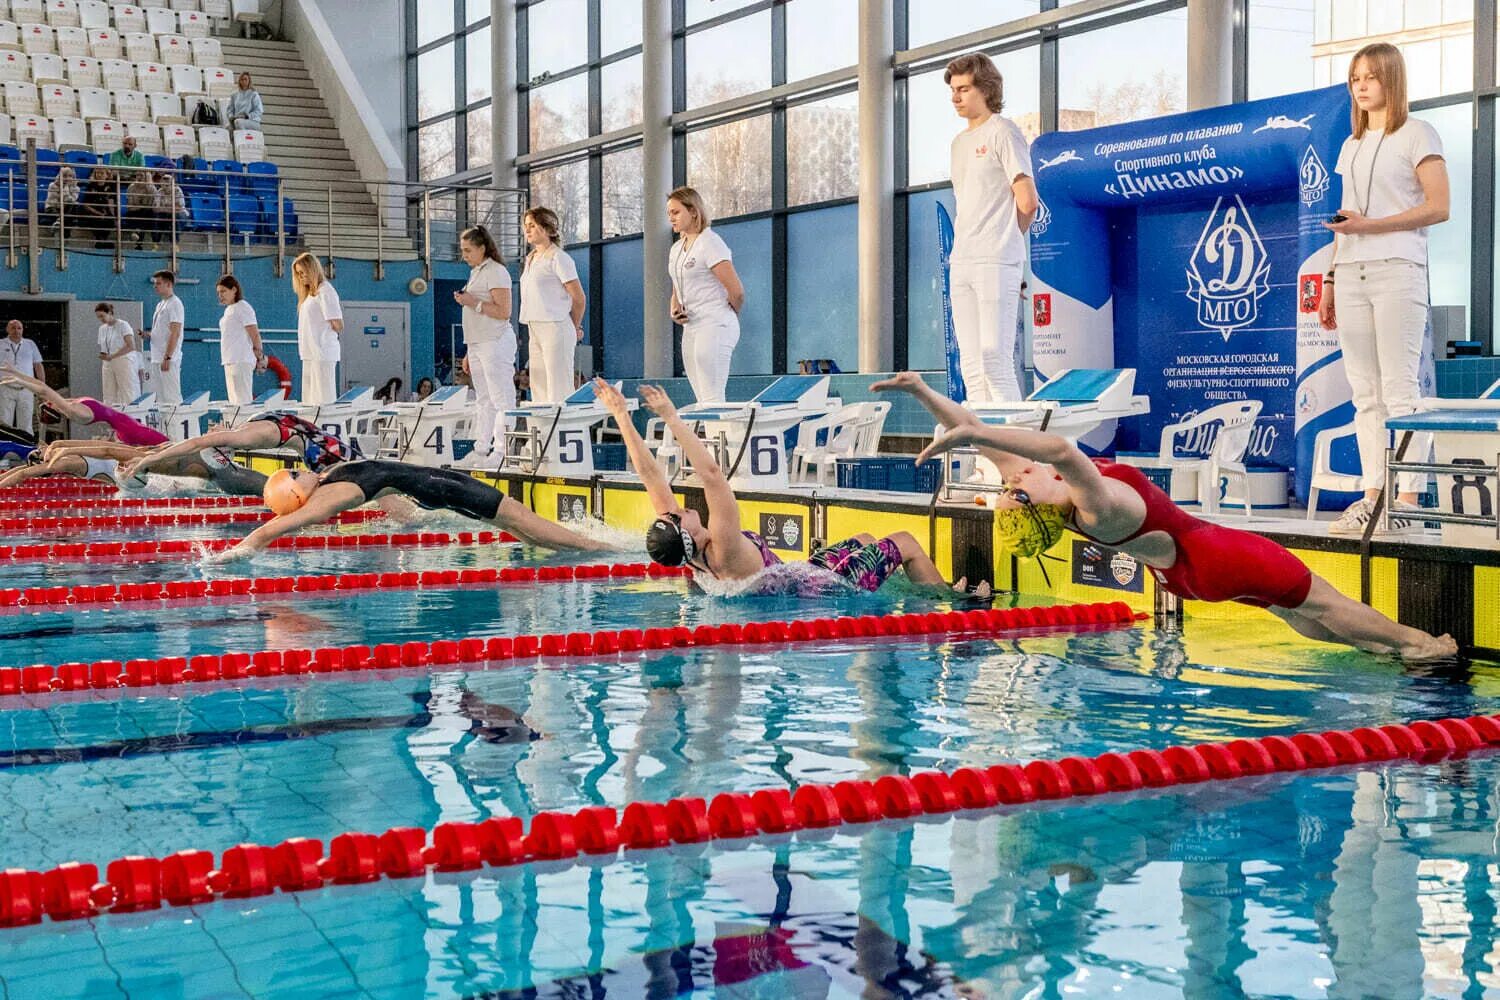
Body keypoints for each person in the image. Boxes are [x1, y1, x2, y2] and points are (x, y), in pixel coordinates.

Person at [874, 371, 1457, 659]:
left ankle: (1372, 648)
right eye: (1017, 485)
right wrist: (983, 434)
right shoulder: (1096, 507)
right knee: (1325, 600)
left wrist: (924, 392)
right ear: (1040, 506)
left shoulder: (1057, 507)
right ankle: (1416, 644)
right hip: (1217, 553)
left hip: (1182, 577)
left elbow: (975, 437)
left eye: (1013, 479)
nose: (1016, 475)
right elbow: (1060, 450)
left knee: (1295, 614)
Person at [595, 378, 949, 593]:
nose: (678, 509)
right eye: (677, 516)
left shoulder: (694, 557)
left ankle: (928, 586)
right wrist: (672, 418)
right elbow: (713, 476)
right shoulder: (725, 546)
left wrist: (622, 416)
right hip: (822, 593)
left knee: (868, 541)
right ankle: (947, 606)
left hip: (807, 574)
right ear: (684, 535)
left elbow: (650, 476)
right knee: (905, 542)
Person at [1320, 42, 1450, 535]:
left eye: (1371, 76)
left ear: (1391, 80)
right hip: (1352, 273)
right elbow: (1346, 218)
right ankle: (1371, 498)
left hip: (1398, 269)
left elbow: (1439, 207)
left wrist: (1370, 226)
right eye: (1355, 77)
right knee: (1364, 393)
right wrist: (1331, 280)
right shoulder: (1350, 146)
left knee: (1400, 388)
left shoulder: (1419, 133)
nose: (1361, 85)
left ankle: (1407, 498)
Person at [215, 459, 613, 561]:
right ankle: (602, 550)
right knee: (522, 521)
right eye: (297, 475)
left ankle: (587, 548)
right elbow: (278, 528)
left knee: (523, 530)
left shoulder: (328, 480)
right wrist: (237, 551)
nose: (304, 471)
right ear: (297, 495)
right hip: (447, 488)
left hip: (440, 487)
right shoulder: (329, 497)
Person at [944, 52, 1037, 403]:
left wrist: (1009, 249)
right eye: (953, 90)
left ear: (986, 89)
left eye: (964, 89)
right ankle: (988, 458)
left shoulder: (1003, 131)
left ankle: (1020, 453)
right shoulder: (958, 144)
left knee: (994, 361)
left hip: (995, 260)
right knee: (971, 367)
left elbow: (1027, 201)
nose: (956, 97)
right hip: (962, 261)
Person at [121, 409, 357, 488]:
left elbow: (192, 444)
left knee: (374, 483)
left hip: (322, 448)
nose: (209, 432)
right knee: (373, 484)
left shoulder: (244, 432)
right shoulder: (240, 436)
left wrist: (148, 460)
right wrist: (148, 459)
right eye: (212, 436)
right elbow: (191, 445)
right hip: (322, 448)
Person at [667, 186, 745, 404]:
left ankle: (723, 439)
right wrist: (674, 307)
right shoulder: (676, 249)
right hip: (691, 328)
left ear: (693, 211)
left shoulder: (710, 242)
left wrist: (725, 316)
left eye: (676, 212)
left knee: (712, 398)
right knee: (702, 400)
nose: (671, 218)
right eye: (669, 213)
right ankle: (708, 439)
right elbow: (676, 285)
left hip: (714, 324)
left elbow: (736, 291)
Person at [453, 224, 515, 468]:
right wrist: (470, 350)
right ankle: (481, 449)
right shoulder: (477, 272)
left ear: (482, 248)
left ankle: (501, 451)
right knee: (483, 399)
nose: (464, 255)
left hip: (495, 341)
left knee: (501, 399)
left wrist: (473, 302)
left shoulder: (496, 272)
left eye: (468, 250)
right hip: (478, 343)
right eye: (462, 250)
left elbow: (503, 311)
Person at [518, 207, 584, 404]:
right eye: (526, 226)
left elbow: (579, 298)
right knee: (538, 386)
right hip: (534, 326)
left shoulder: (559, 258)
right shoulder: (530, 258)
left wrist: (575, 325)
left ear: (547, 229)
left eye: (532, 225)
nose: (527, 230)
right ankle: (543, 433)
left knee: (558, 386)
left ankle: (559, 432)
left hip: (555, 326)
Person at [292, 252, 343, 405]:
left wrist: (322, 335)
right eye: (298, 274)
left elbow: (338, 324)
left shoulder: (325, 291)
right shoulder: (309, 296)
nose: (301, 277)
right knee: (309, 401)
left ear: (312, 269)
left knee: (323, 400)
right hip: (309, 353)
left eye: (303, 272)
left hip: (322, 353)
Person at [216, 275, 263, 406]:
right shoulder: (228, 310)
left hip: (241, 360)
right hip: (230, 360)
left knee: (243, 401)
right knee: (234, 402)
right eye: (218, 292)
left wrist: (259, 355)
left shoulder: (243, 307)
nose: (220, 295)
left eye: (223, 291)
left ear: (234, 290)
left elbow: (254, 334)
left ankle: (247, 426)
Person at [141, 270, 184, 404]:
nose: (155, 286)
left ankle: (176, 425)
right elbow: (160, 331)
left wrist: (168, 357)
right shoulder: (160, 304)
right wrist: (148, 334)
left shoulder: (175, 304)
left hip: (168, 358)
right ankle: (164, 425)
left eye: (158, 283)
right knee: (160, 398)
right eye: (155, 284)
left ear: (169, 284)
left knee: (171, 397)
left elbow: (175, 332)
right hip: (156, 357)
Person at [0, 320, 45, 432]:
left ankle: (26, 448)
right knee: (4, 423)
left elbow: (38, 366)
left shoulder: (30, 344)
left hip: (26, 389)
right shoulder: (1, 344)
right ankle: (5, 449)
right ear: (7, 330)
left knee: (26, 424)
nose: (16, 331)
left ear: (23, 329)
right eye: (13, 328)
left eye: (19, 328)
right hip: (5, 388)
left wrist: (42, 387)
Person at [96, 303, 137, 407]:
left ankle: (131, 417)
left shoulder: (123, 325)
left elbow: (131, 345)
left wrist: (112, 356)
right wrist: (104, 355)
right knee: (108, 393)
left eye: (102, 316)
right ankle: (111, 417)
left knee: (127, 391)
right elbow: (104, 348)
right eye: (98, 317)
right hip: (108, 363)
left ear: (109, 313)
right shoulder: (102, 329)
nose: (101, 319)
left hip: (123, 361)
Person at [77, 166, 119, 248]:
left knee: (108, 219)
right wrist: (99, 213)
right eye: (97, 173)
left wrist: (114, 217)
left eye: (102, 173)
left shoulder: (111, 186)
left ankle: (101, 240)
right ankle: (102, 240)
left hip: (104, 210)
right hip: (92, 210)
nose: (99, 175)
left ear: (107, 175)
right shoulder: (91, 185)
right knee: (93, 217)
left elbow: (112, 202)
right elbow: (86, 204)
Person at [42, 165, 81, 235]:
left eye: (70, 176)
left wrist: (65, 188)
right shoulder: (52, 185)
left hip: (66, 208)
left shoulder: (76, 188)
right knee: (65, 216)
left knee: (74, 204)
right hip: (53, 208)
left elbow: (70, 200)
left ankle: (59, 223)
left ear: (73, 177)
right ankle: (60, 224)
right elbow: (54, 202)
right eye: (64, 176)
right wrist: (64, 188)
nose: (67, 178)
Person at [124, 170, 158, 249]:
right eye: (137, 175)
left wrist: (147, 187)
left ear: (147, 178)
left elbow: (151, 206)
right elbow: (130, 207)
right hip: (135, 211)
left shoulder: (152, 188)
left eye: (141, 175)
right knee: (129, 214)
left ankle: (152, 242)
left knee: (151, 214)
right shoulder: (131, 187)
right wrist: (141, 206)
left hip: (148, 212)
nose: (139, 177)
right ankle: (137, 239)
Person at [153, 170, 189, 246]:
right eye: (163, 184)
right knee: (157, 217)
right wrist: (170, 208)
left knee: (174, 217)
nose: (165, 186)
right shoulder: (159, 191)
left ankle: (175, 243)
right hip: (166, 213)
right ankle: (156, 243)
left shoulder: (177, 190)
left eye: (167, 184)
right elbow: (156, 208)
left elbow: (179, 208)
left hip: (181, 214)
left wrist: (164, 208)